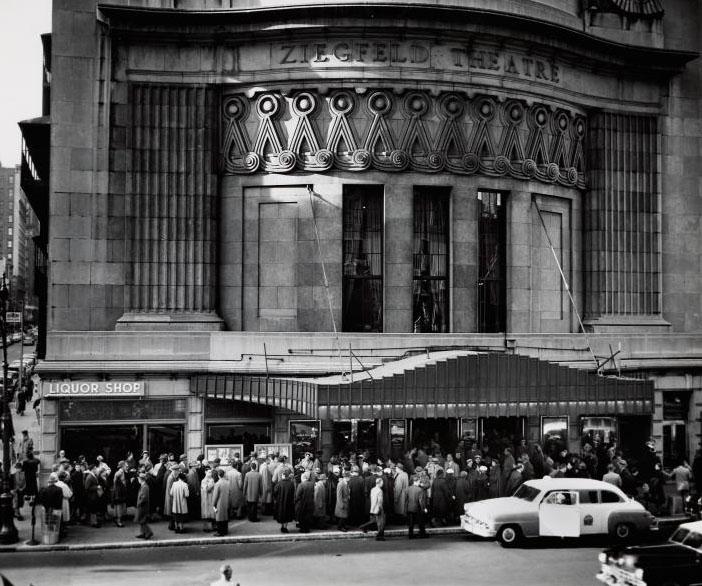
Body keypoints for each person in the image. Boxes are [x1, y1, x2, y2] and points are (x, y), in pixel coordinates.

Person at [37, 473, 65, 539]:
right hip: (57, 509)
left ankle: (51, 536)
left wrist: (45, 506)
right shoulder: (59, 489)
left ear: (48, 482)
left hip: (48, 509)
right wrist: (59, 508)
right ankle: (58, 535)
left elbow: (41, 500)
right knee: (58, 523)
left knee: (49, 523)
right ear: (54, 482)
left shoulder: (44, 490)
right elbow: (60, 501)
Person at [274, 468, 296, 533]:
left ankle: (282, 526)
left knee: (281, 514)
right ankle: (285, 527)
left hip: (280, 502)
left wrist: (276, 498)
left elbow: (275, 492)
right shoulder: (291, 484)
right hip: (289, 502)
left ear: (283, 476)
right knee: (287, 515)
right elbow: (293, 493)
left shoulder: (279, 483)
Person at [365, 476, 386, 541]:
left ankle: (364, 527)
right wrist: (380, 508)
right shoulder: (380, 491)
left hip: (373, 507)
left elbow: (372, 499)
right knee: (381, 523)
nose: (383, 484)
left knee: (374, 521)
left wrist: (372, 508)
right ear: (379, 483)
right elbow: (380, 501)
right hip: (378, 508)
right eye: (382, 483)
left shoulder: (373, 489)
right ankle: (380, 536)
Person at [135, 471, 154, 539]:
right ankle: (143, 533)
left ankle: (148, 532)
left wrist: (139, 503)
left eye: (138, 479)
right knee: (141, 520)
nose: (138, 480)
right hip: (142, 506)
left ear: (141, 479)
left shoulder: (145, 487)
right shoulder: (143, 486)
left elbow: (144, 497)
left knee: (142, 521)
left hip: (143, 506)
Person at [212, 468, 231, 536]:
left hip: (219, 502)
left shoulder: (217, 484)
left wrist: (213, 504)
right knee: (225, 516)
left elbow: (215, 495)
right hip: (226, 501)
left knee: (219, 517)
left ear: (218, 475)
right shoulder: (228, 482)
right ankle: (225, 530)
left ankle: (220, 532)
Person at [55, 471, 73, 538]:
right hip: (64, 502)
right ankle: (63, 531)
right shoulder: (64, 485)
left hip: (57, 502)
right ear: (64, 478)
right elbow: (69, 494)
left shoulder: (56, 484)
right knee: (64, 516)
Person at [112, 460, 128, 527]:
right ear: (123, 466)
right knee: (119, 506)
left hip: (119, 491)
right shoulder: (119, 472)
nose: (127, 466)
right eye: (126, 465)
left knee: (119, 506)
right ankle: (119, 521)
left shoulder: (122, 472)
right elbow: (115, 482)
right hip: (119, 492)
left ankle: (118, 520)